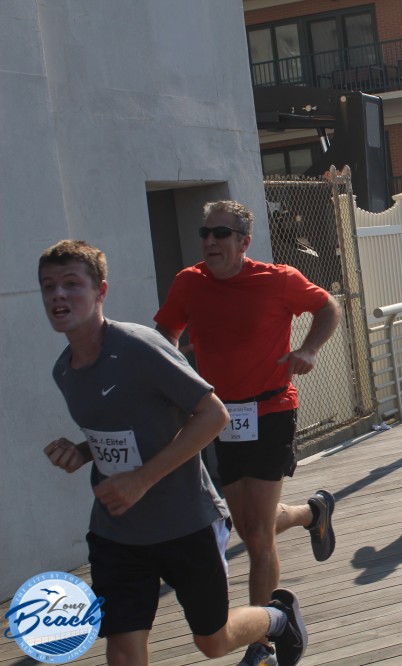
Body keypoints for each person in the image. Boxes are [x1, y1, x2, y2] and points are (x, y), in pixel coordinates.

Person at [39, 241, 307, 666]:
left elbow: (213, 415)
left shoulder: (139, 347)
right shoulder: (63, 370)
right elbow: (128, 430)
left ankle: (277, 618)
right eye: (49, 286)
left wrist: (141, 480)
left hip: (184, 522)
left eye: (72, 284)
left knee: (213, 641)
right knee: (123, 649)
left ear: (100, 291)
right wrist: (81, 451)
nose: (58, 295)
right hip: (116, 532)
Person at [154, 201, 338, 666]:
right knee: (253, 524)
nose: (210, 241)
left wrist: (309, 349)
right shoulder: (188, 283)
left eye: (221, 233)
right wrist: (175, 381)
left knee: (256, 535)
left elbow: (327, 307)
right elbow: (166, 333)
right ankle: (312, 512)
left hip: (272, 408)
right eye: (205, 232)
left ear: (243, 242)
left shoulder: (277, 280)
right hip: (220, 416)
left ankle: (263, 641)